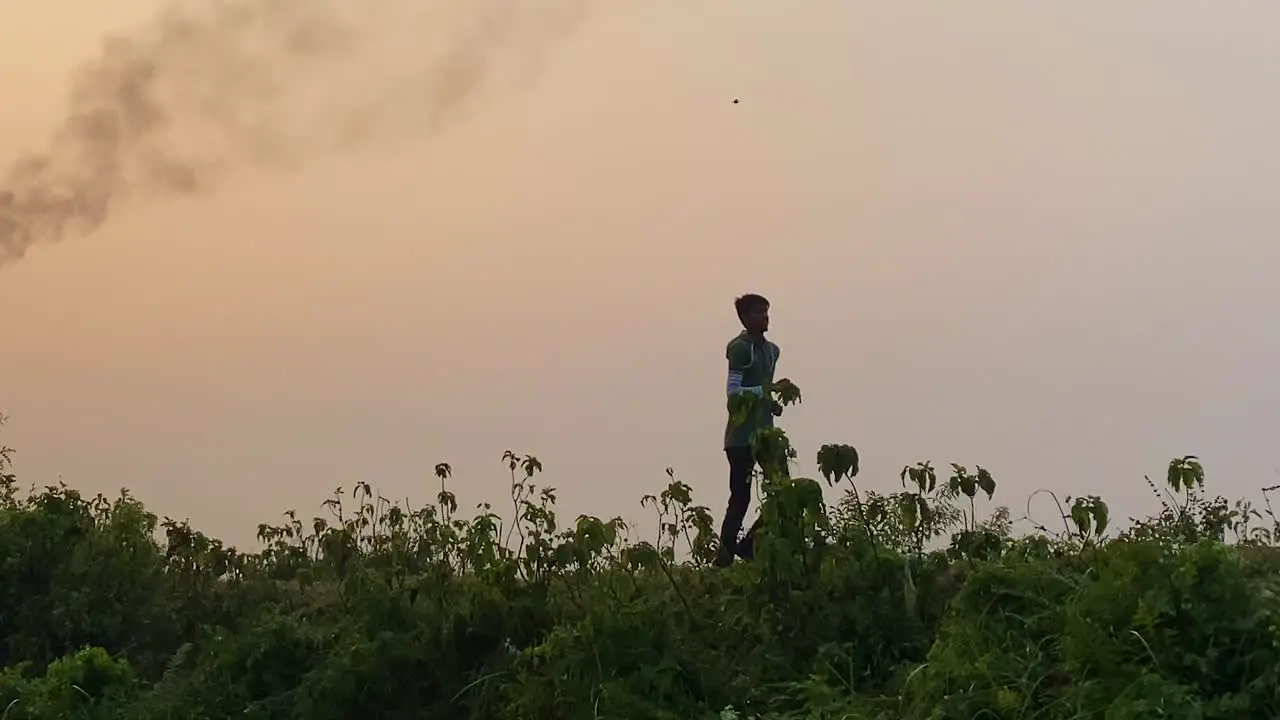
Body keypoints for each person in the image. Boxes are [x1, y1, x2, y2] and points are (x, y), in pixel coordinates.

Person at [715, 293, 784, 567]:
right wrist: (764, 391)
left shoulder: (772, 350)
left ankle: (751, 545)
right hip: (741, 436)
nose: (764, 318)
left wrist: (772, 402)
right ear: (744, 318)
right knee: (740, 497)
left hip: (767, 433)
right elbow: (733, 394)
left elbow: (763, 390)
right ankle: (724, 556)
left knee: (782, 492)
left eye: (766, 312)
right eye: (757, 313)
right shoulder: (740, 349)